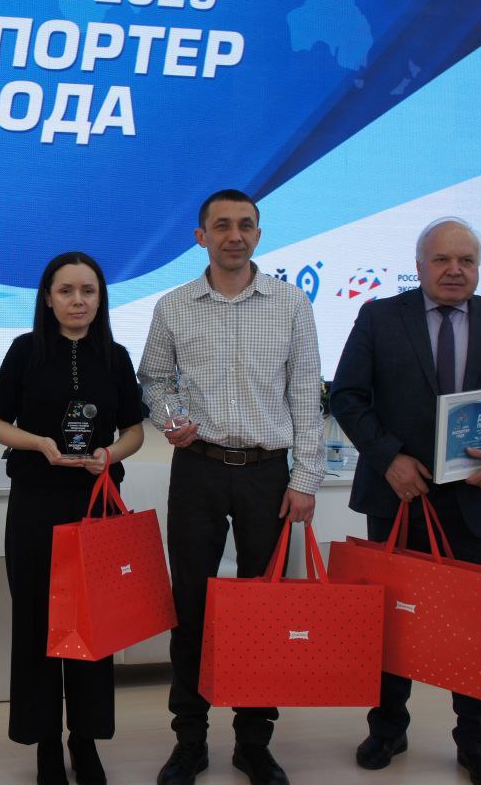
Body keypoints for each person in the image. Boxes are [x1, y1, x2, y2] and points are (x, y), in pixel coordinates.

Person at [330, 218, 481, 785]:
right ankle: (387, 729)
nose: (455, 270)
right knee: (391, 623)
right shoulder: (380, 317)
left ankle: (476, 744)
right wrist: (389, 458)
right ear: (419, 266)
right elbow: (348, 396)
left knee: (474, 631)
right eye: (441, 259)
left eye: (466, 260)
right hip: (400, 498)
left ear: (478, 267)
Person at [137, 189, 323, 785]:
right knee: (190, 605)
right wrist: (171, 420)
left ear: (259, 235)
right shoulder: (174, 306)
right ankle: (189, 740)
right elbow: (153, 379)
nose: (234, 235)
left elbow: (306, 395)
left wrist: (306, 478)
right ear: (201, 237)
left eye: (245, 225)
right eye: (221, 226)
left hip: (269, 474)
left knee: (263, 609)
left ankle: (254, 741)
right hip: (199, 469)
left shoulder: (291, 304)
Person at [0, 251, 145, 785]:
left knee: (91, 626)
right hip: (35, 504)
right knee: (37, 623)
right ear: (48, 298)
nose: (78, 301)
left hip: (94, 505)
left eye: (88, 291)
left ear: (101, 299)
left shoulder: (116, 357)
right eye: (66, 291)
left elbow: (134, 431)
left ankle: (86, 740)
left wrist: (109, 455)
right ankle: (46, 743)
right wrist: (39, 444)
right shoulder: (25, 350)